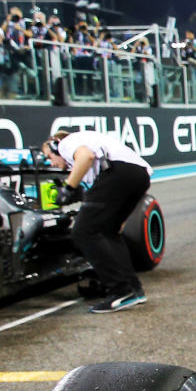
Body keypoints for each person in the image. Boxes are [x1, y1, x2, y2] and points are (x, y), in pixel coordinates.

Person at [42, 126, 153, 313]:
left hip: (118, 172)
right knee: (110, 233)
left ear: (54, 147)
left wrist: (68, 188)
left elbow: (86, 157)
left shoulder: (66, 144)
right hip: (139, 175)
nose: (50, 162)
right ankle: (133, 289)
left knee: (83, 232)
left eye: (49, 157)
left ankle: (120, 290)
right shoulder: (90, 143)